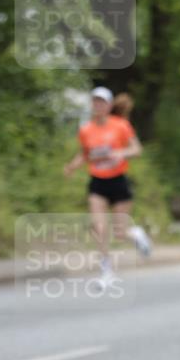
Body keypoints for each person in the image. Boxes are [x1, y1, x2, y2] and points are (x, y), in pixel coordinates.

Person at [64, 86, 152, 285]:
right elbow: (85, 154)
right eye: (95, 101)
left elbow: (137, 149)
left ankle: (136, 234)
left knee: (119, 233)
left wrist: (121, 153)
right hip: (98, 182)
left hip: (118, 181)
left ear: (109, 105)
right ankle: (106, 271)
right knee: (98, 227)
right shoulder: (86, 129)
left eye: (102, 101)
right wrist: (71, 167)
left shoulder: (120, 125)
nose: (98, 105)